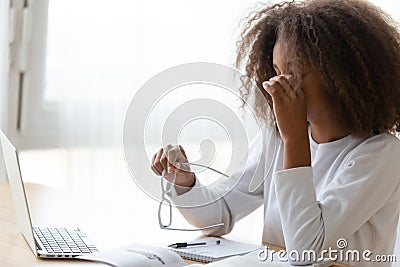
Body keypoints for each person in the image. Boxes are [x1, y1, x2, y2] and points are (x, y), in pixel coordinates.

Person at [151, 0, 400, 265]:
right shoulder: (276, 137)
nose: (274, 85)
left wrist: (294, 140)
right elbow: (218, 216)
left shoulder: (382, 154)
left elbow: (306, 251)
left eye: (293, 73)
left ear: (341, 76)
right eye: (277, 71)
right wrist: (185, 181)